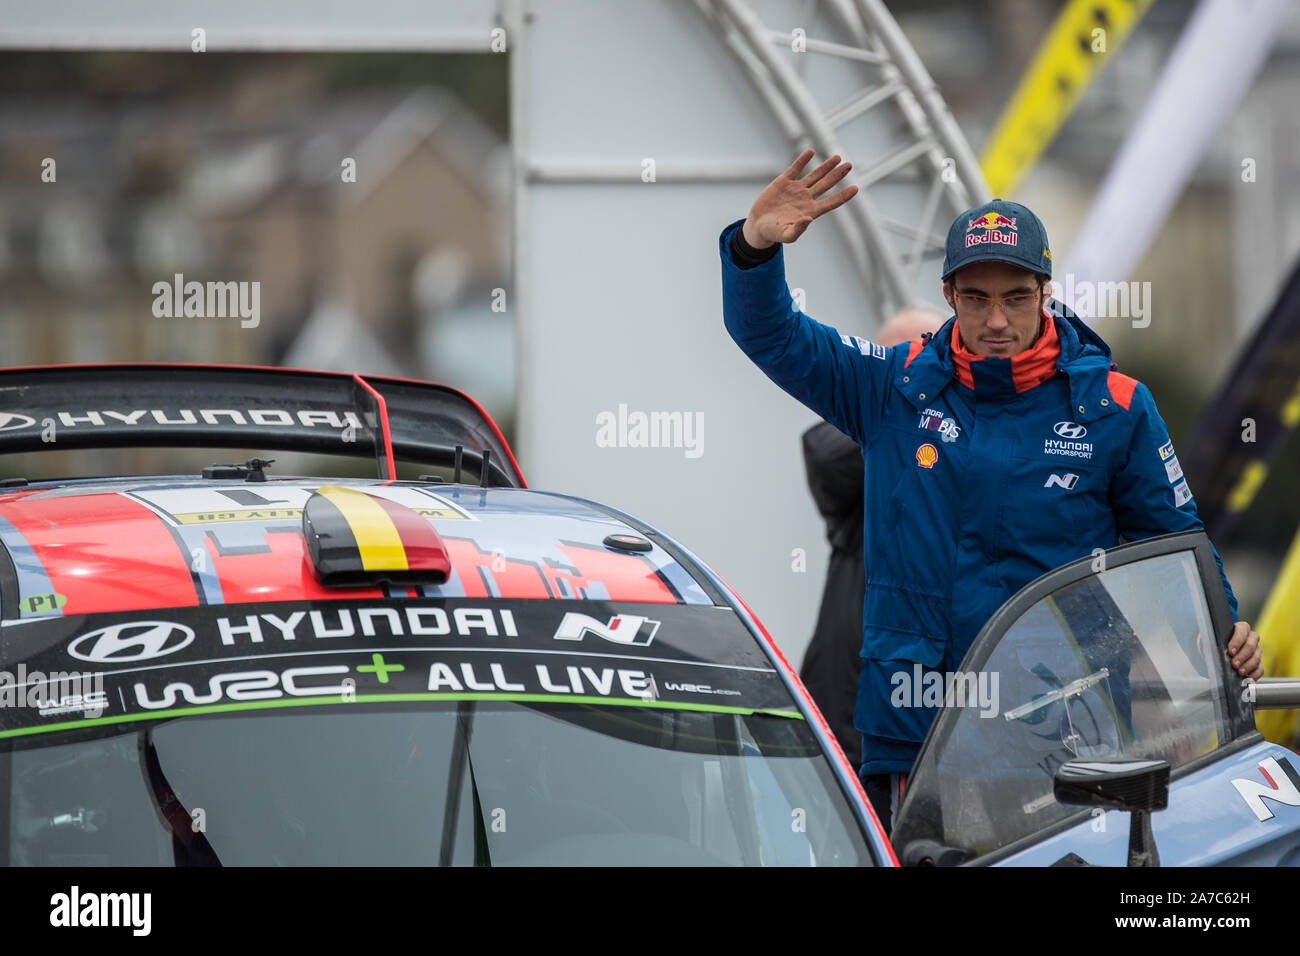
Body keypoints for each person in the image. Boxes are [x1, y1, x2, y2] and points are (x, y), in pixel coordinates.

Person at [720, 149, 1263, 833]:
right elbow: (771, 334)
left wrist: (1226, 633)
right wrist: (754, 247)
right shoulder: (891, 387)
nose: (996, 320)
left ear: (1044, 292)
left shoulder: (1116, 408)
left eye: (1015, 297)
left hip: (1069, 738)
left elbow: (1176, 542)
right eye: (976, 298)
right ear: (949, 296)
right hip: (918, 729)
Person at [799, 307, 941, 771]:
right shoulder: (879, 431)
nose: (911, 365)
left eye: (924, 351)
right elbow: (821, 451)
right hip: (844, 714)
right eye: (898, 356)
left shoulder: (964, 448)